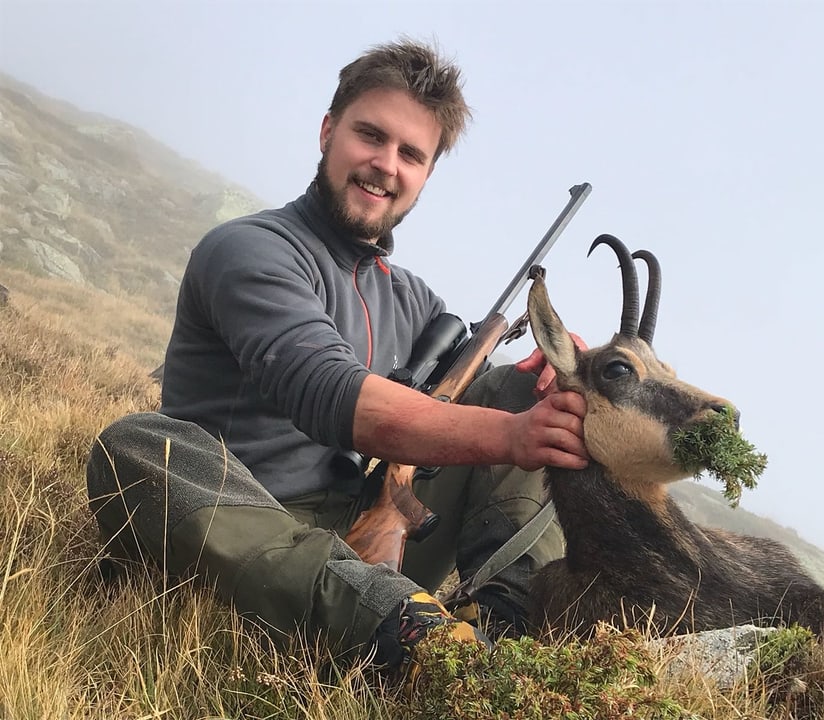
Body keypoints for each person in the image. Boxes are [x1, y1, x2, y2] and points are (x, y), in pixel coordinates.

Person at [85, 39, 589, 677]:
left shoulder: (414, 299)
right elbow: (325, 389)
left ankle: (500, 629)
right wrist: (512, 436)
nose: (386, 165)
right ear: (328, 131)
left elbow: (487, 404)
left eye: (411, 154)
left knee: (530, 393)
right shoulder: (250, 250)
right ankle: (405, 633)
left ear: (426, 175)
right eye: (370, 136)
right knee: (135, 446)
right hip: (243, 528)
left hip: (370, 523)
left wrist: (554, 377)